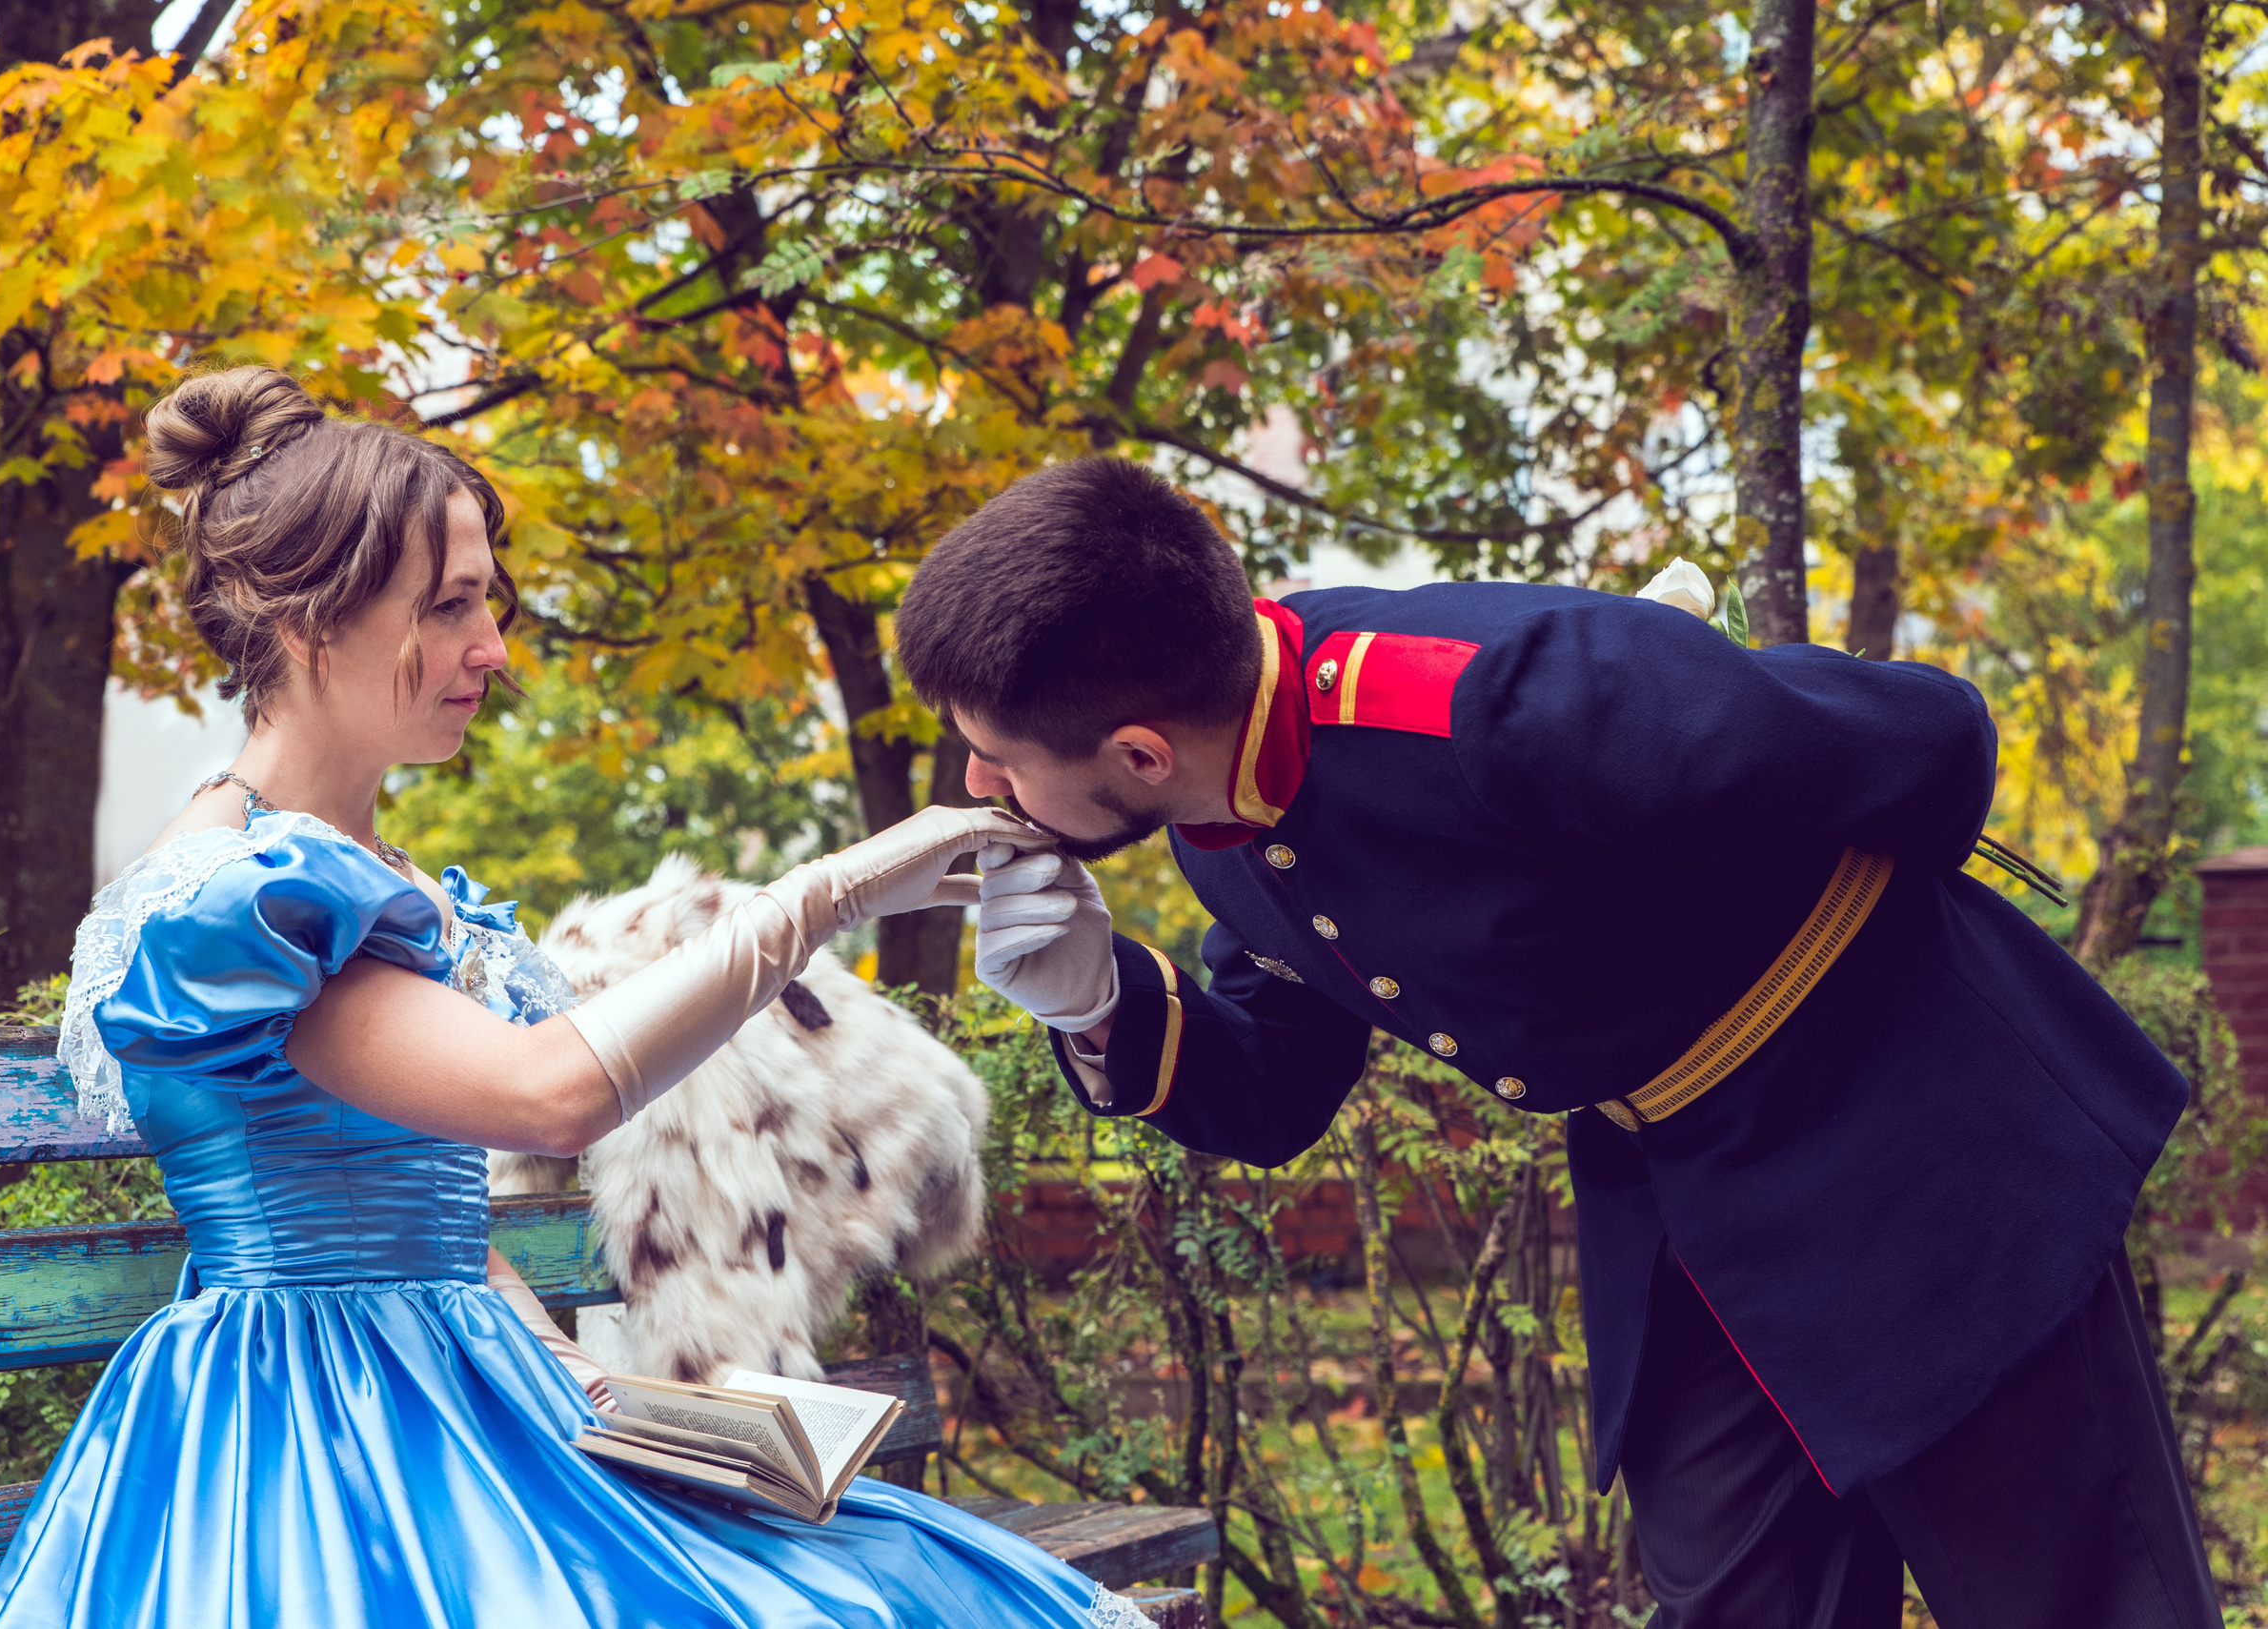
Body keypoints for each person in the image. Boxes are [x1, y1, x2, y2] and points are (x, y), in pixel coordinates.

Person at [895, 456, 2221, 1629]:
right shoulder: (1223, 822)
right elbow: (1283, 1079)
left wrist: (1684, 703)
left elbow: (1929, 743)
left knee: (2077, 1597)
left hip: (1920, 1146)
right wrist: (1099, 1002)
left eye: (996, 756)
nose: (980, 787)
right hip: (1692, 1210)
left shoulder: (1500, 698)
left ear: (1133, 748)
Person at [0, 366, 1152, 1629]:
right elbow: (551, 1100)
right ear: (303, 619)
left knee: (864, 1566)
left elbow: (409, 1209)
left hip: (457, 1385)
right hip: (314, 1432)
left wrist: (584, 1376)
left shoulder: (367, 874)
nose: (491, 648)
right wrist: (835, 890)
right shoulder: (241, 891)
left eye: (493, 602)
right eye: (449, 607)